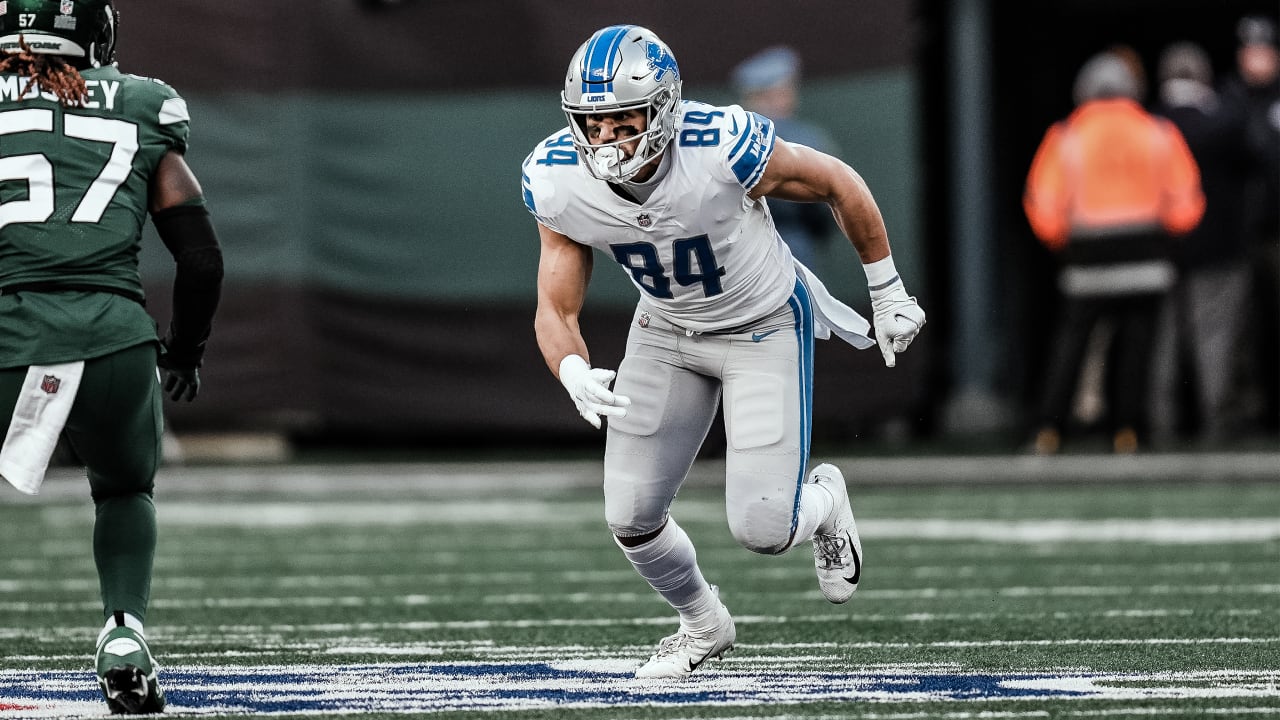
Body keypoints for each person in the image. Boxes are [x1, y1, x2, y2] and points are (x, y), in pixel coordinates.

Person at [521, 25, 924, 678]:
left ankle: (825, 503)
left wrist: (887, 287)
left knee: (764, 529)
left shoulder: (722, 145)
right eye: (592, 125)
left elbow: (837, 182)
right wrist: (569, 366)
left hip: (762, 323)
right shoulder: (559, 178)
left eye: (622, 120)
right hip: (666, 330)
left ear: (664, 108)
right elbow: (555, 305)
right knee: (629, 515)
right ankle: (702, 624)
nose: (606, 140)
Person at [0, 0, 224, 713]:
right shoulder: (142, 104)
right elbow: (201, 261)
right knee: (124, 491)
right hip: (112, 338)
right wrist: (184, 351)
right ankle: (124, 634)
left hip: (6, 330)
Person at [1024, 50, 1204, 455]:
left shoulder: (1066, 136)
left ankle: (1048, 432)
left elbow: (1043, 204)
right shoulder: (1159, 132)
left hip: (1087, 261)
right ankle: (1127, 431)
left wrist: (1061, 241)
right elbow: (1187, 204)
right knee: (1137, 346)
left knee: (1071, 344)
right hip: (1146, 259)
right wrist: (1164, 233)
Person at [1148, 42, 1254, 446]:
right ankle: (1216, 423)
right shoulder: (1224, 122)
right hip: (1219, 248)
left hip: (1161, 248)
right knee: (1216, 338)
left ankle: (1161, 423)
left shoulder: (1151, 122)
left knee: (1164, 340)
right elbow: (1254, 160)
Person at [1221, 16, 1280, 434]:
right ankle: (1247, 409)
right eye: (1250, 50)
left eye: (1264, 50)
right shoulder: (1229, 98)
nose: (1257, 58)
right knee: (1241, 328)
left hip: (1278, 231)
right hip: (1240, 232)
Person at [730, 46, 840, 268]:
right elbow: (825, 203)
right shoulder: (803, 139)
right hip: (792, 243)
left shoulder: (728, 137)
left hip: (738, 250)